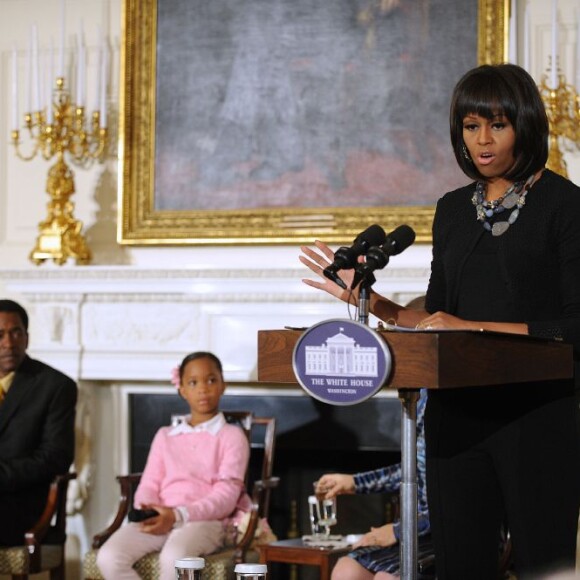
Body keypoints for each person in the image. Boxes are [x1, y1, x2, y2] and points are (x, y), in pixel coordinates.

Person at [300, 63, 580, 579]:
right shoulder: (453, 209)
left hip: (537, 416)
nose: (483, 140)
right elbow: (433, 315)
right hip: (456, 416)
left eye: (498, 124)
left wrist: (470, 328)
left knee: (545, 564)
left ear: (526, 124)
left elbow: (572, 324)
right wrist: (371, 299)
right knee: (459, 565)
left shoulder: (565, 205)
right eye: (472, 127)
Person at [96, 351, 253, 580]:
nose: (203, 388)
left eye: (211, 380)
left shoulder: (231, 436)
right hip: (161, 517)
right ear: (182, 389)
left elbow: (226, 495)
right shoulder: (165, 435)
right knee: (108, 556)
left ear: (223, 385)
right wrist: (149, 511)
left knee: (174, 557)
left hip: (206, 521)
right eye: (193, 382)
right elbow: (150, 482)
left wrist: (178, 515)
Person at [316, 390, 431, 580]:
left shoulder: (456, 399)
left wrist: (397, 531)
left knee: (385, 578)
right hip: (417, 534)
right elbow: (415, 469)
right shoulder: (422, 396)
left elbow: (462, 502)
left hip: (454, 535)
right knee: (346, 570)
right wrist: (353, 482)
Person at [0, 299, 77, 546]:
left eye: (16, 333)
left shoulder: (55, 386)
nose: (9, 344)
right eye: (0, 335)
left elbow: (56, 456)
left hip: (20, 503)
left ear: (27, 337)